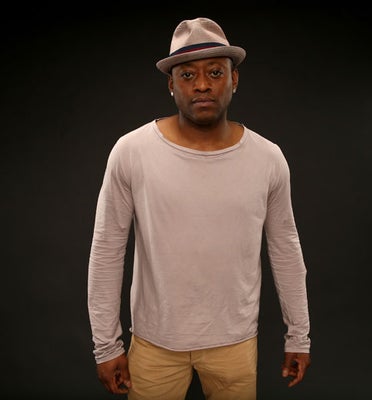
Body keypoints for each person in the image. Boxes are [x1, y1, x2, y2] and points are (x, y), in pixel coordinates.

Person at [87, 17, 311, 400]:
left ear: (234, 79)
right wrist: (106, 346)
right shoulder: (132, 152)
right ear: (171, 84)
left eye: (215, 72)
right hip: (155, 343)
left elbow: (286, 251)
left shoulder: (267, 158)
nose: (202, 84)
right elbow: (107, 251)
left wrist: (299, 337)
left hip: (235, 343)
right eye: (188, 74)